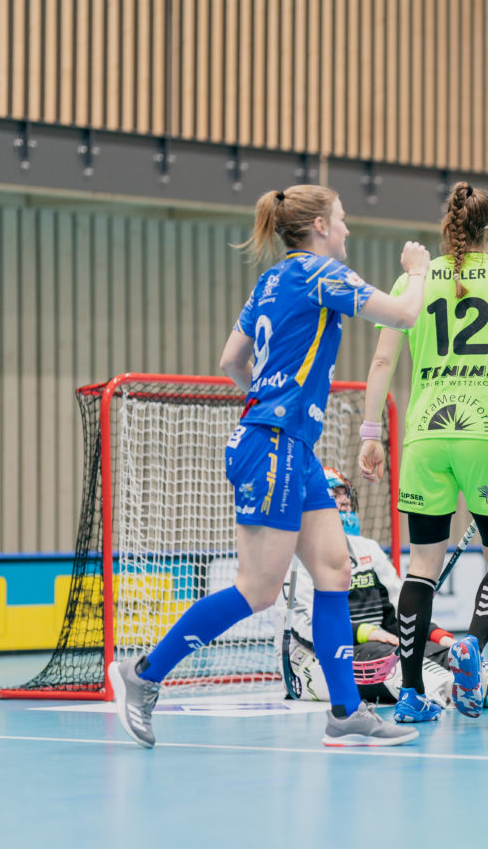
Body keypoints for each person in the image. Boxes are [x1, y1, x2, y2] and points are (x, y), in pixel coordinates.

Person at [106, 184, 431, 748]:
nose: (348, 230)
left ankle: (345, 711)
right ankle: (144, 674)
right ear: (322, 227)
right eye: (344, 220)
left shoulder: (272, 280)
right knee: (257, 589)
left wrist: (268, 398)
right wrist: (418, 269)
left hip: (290, 445)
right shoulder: (321, 274)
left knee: (333, 569)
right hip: (274, 446)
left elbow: (232, 359)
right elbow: (404, 315)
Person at [359, 182, 488, 723]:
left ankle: (413, 694)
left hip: (426, 436)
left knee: (421, 568)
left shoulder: (412, 280)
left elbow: (380, 363)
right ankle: (473, 647)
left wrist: (372, 432)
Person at [282, 468, 488, 709]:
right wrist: (367, 633)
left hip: (384, 643)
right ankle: (457, 691)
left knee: (435, 651)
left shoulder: (368, 550)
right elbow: (305, 628)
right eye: (334, 495)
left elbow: (398, 612)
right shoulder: (295, 557)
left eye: (345, 494)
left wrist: (436, 633)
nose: (344, 501)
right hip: (315, 661)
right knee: (393, 658)